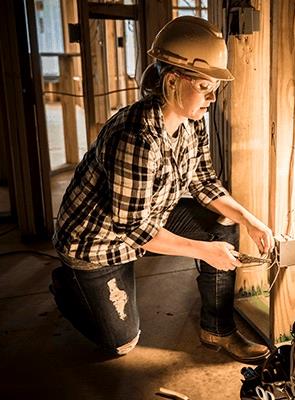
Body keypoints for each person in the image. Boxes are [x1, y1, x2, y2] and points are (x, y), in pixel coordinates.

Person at [50, 16, 273, 363]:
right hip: (97, 243)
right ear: (172, 81)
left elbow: (203, 182)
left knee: (223, 226)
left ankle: (218, 328)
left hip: (147, 221)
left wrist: (249, 219)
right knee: (120, 343)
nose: (212, 98)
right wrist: (204, 251)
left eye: (215, 88)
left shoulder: (190, 119)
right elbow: (132, 228)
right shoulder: (137, 137)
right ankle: (71, 287)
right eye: (204, 87)